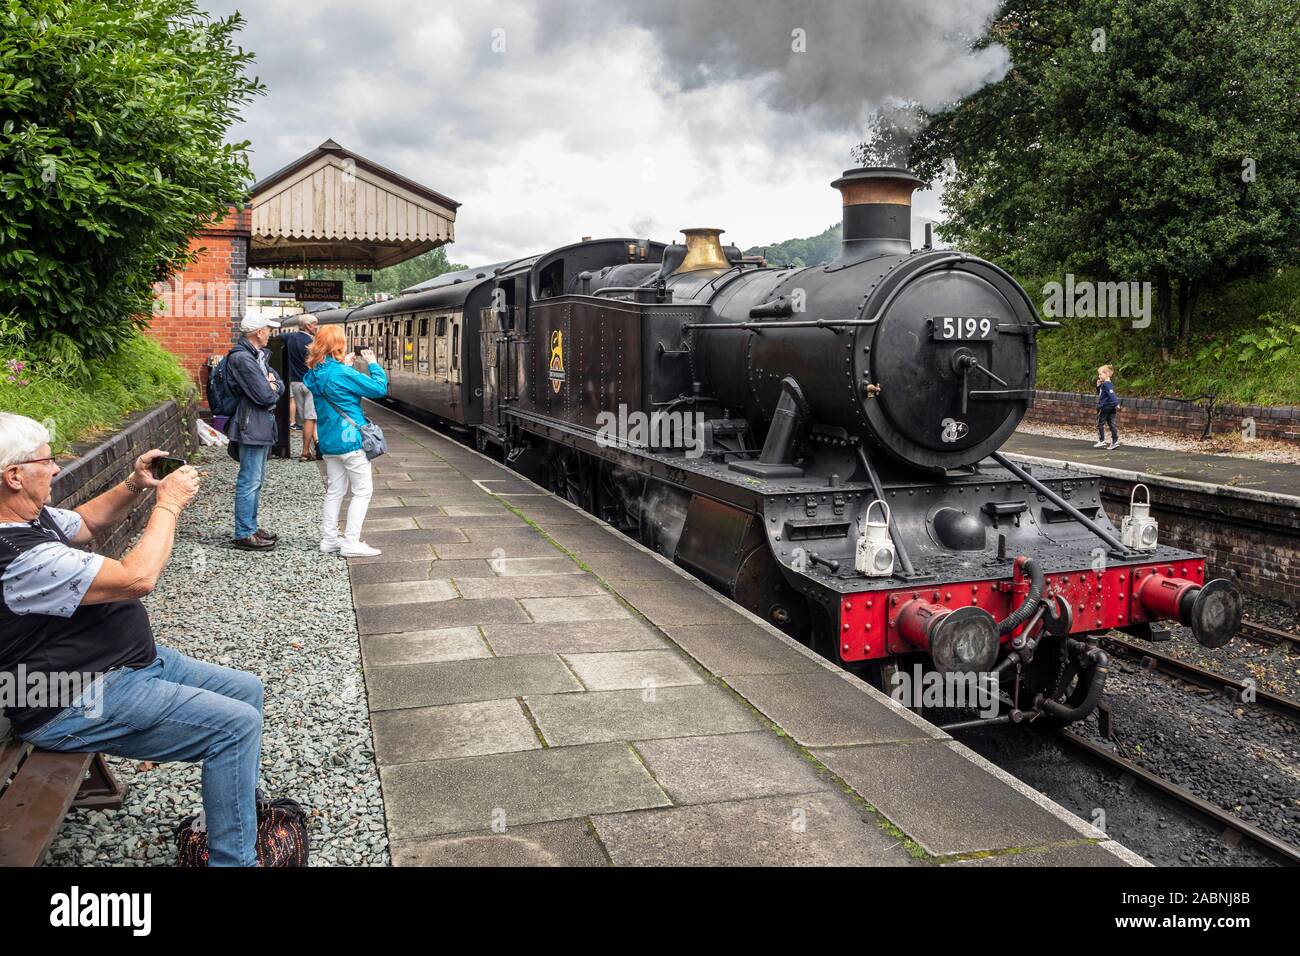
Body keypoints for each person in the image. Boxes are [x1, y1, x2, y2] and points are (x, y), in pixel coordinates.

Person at [0, 413, 265, 867]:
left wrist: (135, 483)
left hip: (123, 665)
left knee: (247, 690)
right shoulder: (17, 557)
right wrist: (168, 504)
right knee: (234, 727)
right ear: (14, 475)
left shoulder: (27, 518)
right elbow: (137, 577)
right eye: (47, 461)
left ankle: (233, 810)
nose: (57, 469)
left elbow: (83, 522)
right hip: (71, 697)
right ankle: (233, 861)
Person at [302, 325, 388, 557]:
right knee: (362, 491)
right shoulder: (342, 373)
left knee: (335, 491)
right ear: (338, 346)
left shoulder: (312, 374)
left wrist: (343, 367)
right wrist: (373, 364)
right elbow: (379, 388)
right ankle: (351, 542)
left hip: (329, 442)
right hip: (351, 441)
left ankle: (329, 540)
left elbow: (331, 382)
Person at [224, 316, 284, 551]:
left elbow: (277, 383)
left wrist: (273, 385)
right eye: (268, 329)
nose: (270, 333)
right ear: (259, 332)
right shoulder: (243, 359)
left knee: (255, 480)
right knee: (249, 480)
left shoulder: (256, 356)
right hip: (251, 425)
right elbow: (266, 396)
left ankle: (250, 526)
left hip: (259, 424)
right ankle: (244, 532)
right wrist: (271, 387)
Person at [283, 315, 319, 462]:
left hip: (296, 383)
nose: (317, 327)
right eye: (315, 324)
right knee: (311, 417)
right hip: (311, 383)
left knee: (306, 419)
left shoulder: (290, 337)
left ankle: (316, 445)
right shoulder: (313, 342)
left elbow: (279, 337)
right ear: (308, 326)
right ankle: (305, 452)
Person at [1094, 364, 1121, 449]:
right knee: (1112, 424)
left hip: (1104, 407)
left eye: (1100, 374)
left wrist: (1116, 403)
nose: (1099, 376)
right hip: (1111, 407)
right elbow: (1102, 394)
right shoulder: (1108, 383)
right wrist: (1098, 386)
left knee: (1099, 424)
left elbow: (1111, 394)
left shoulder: (1106, 384)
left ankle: (1101, 440)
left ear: (1106, 374)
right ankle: (1115, 441)